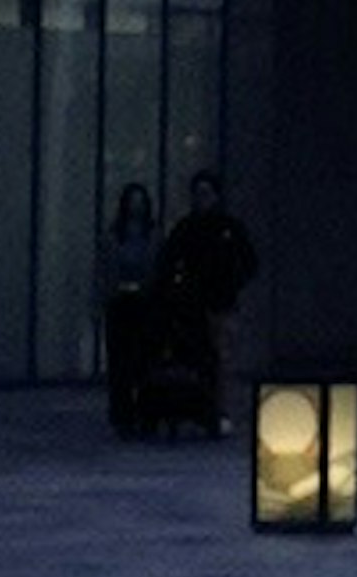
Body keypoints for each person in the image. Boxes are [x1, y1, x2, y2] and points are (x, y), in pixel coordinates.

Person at [153, 164, 260, 421]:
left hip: (222, 303)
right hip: (192, 306)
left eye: (206, 193)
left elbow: (249, 261)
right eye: (198, 193)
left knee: (222, 359)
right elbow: (168, 262)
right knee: (199, 357)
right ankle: (203, 408)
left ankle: (221, 409)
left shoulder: (229, 227)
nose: (202, 199)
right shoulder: (186, 228)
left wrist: (233, 282)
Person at [101, 176, 160, 432]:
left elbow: (158, 267)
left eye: (140, 203)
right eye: (132, 203)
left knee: (144, 360)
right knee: (120, 361)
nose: (136, 208)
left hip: (145, 303)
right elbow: (104, 271)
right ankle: (122, 414)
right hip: (119, 303)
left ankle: (146, 412)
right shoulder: (113, 236)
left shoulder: (154, 235)